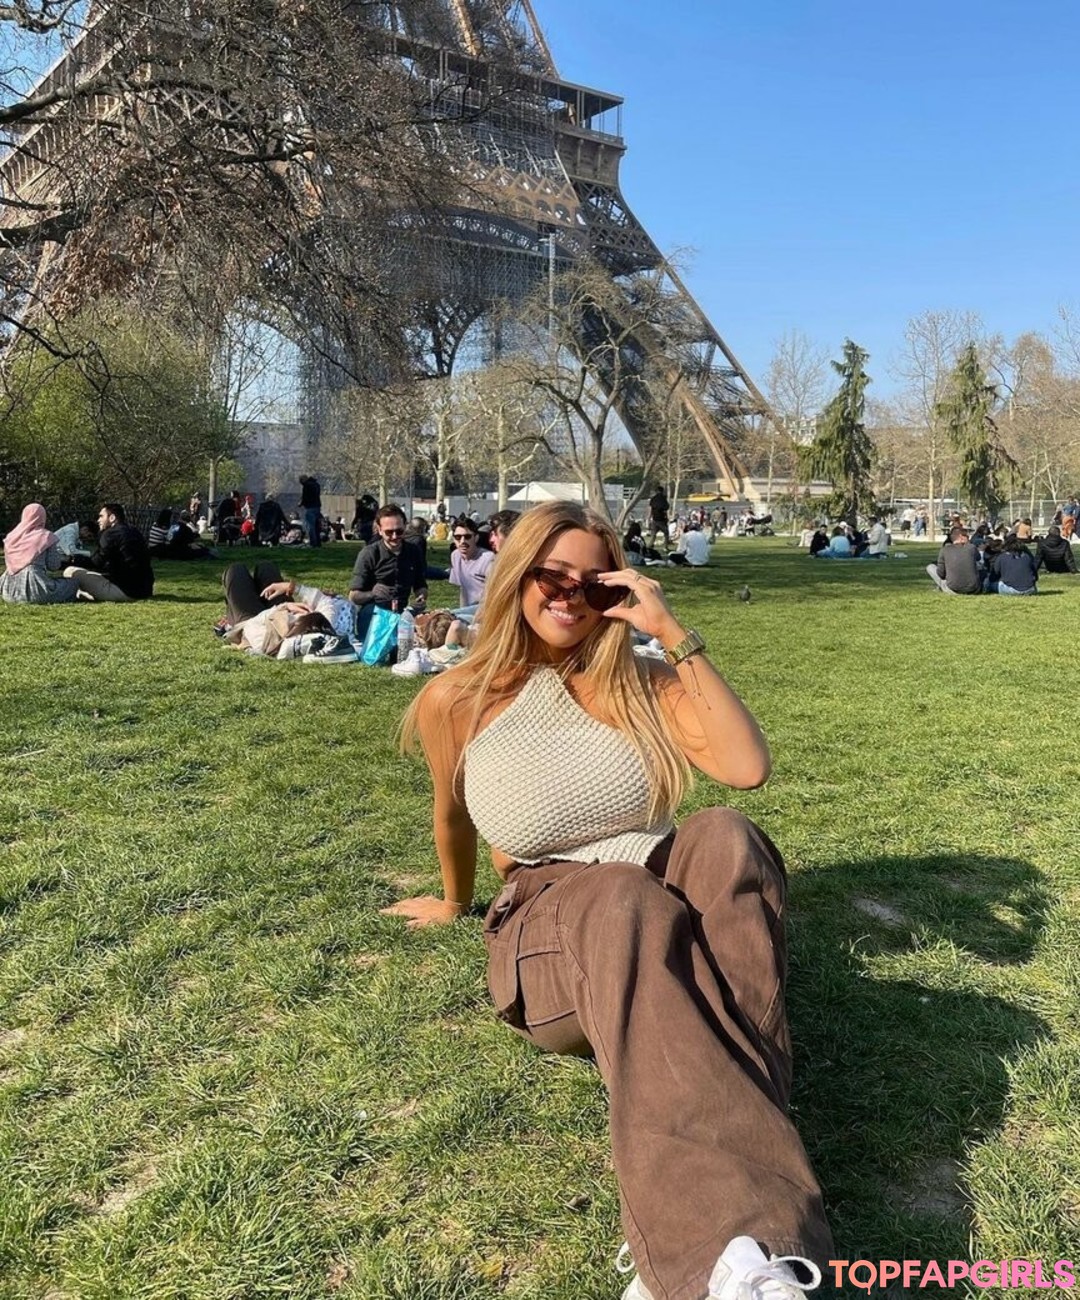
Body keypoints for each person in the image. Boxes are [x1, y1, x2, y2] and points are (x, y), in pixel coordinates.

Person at [386, 501, 831, 1300]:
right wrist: (454, 902)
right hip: (553, 920)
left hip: (658, 890)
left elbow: (746, 768)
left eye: (593, 583)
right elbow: (450, 814)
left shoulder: (643, 684)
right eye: (551, 577)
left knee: (725, 833)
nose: (570, 597)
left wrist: (671, 632)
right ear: (515, 577)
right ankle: (723, 1251)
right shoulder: (457, 697)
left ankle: (725, 1243)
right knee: (625, 896)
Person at [219, 561, 356, 662]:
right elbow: (325, 603)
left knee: (235, 571)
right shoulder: (333, 622)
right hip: (284, 614)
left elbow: (252, 624)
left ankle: (230, 617)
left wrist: (285, 604)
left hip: (259, 620)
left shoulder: (265, 640)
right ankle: (231, 614)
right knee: (266, 567)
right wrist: (289, 597)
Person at [348, 505, 428, 641]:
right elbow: (353, 596)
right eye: (389, 532)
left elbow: (420, 585)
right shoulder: (369, 553)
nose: (395, 536)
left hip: (404, 611)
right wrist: (373, 594)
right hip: (374, 611)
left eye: (399, 531)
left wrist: (421, 597)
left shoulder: (413, 551)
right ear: (379, 530)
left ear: (405, 527)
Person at [64, 503, 154, 601]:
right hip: (145, 590)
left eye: (101, 516)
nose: (98, 520)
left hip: (125, 591)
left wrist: (73, 559)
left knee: (70, 571)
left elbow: (96, 562)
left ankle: (81, 594)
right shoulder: (134, 531)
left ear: (112, 518)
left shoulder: (110, 534)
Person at [0, 503, 86, 604]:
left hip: (8, 592)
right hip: (37, 590)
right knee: (73, 583)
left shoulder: (11, 537)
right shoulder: (46, 536)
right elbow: (53, 566)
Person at [449, 516, 495, 605]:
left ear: (476, 538)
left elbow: (494, 593)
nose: (462, 541)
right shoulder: (455, 556)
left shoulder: (488, 559)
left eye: (467, 537)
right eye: (458, 537)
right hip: (467, 608)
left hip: (485, 607)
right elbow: (462, 589)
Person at [926, 526, 982, 595]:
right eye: (966, 536)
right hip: (974, 589)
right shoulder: (971, 547)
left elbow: (941, 574)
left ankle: (944, 585)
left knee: (930, 567)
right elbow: (978, 558)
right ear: (961, 536)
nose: (968, 538)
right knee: (978, 565)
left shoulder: (945, 550)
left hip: (953, 590)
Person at [299, 475, 322, 548]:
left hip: (310, 507)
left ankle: (313, 543)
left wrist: (301, 503)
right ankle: (318, 543)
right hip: (317, 507)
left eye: (300, 481)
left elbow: (305, 497)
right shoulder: (317, 485)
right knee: (316, 526)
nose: (301, 483)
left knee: (310, 526)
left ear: (303, 480)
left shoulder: (306, 485)